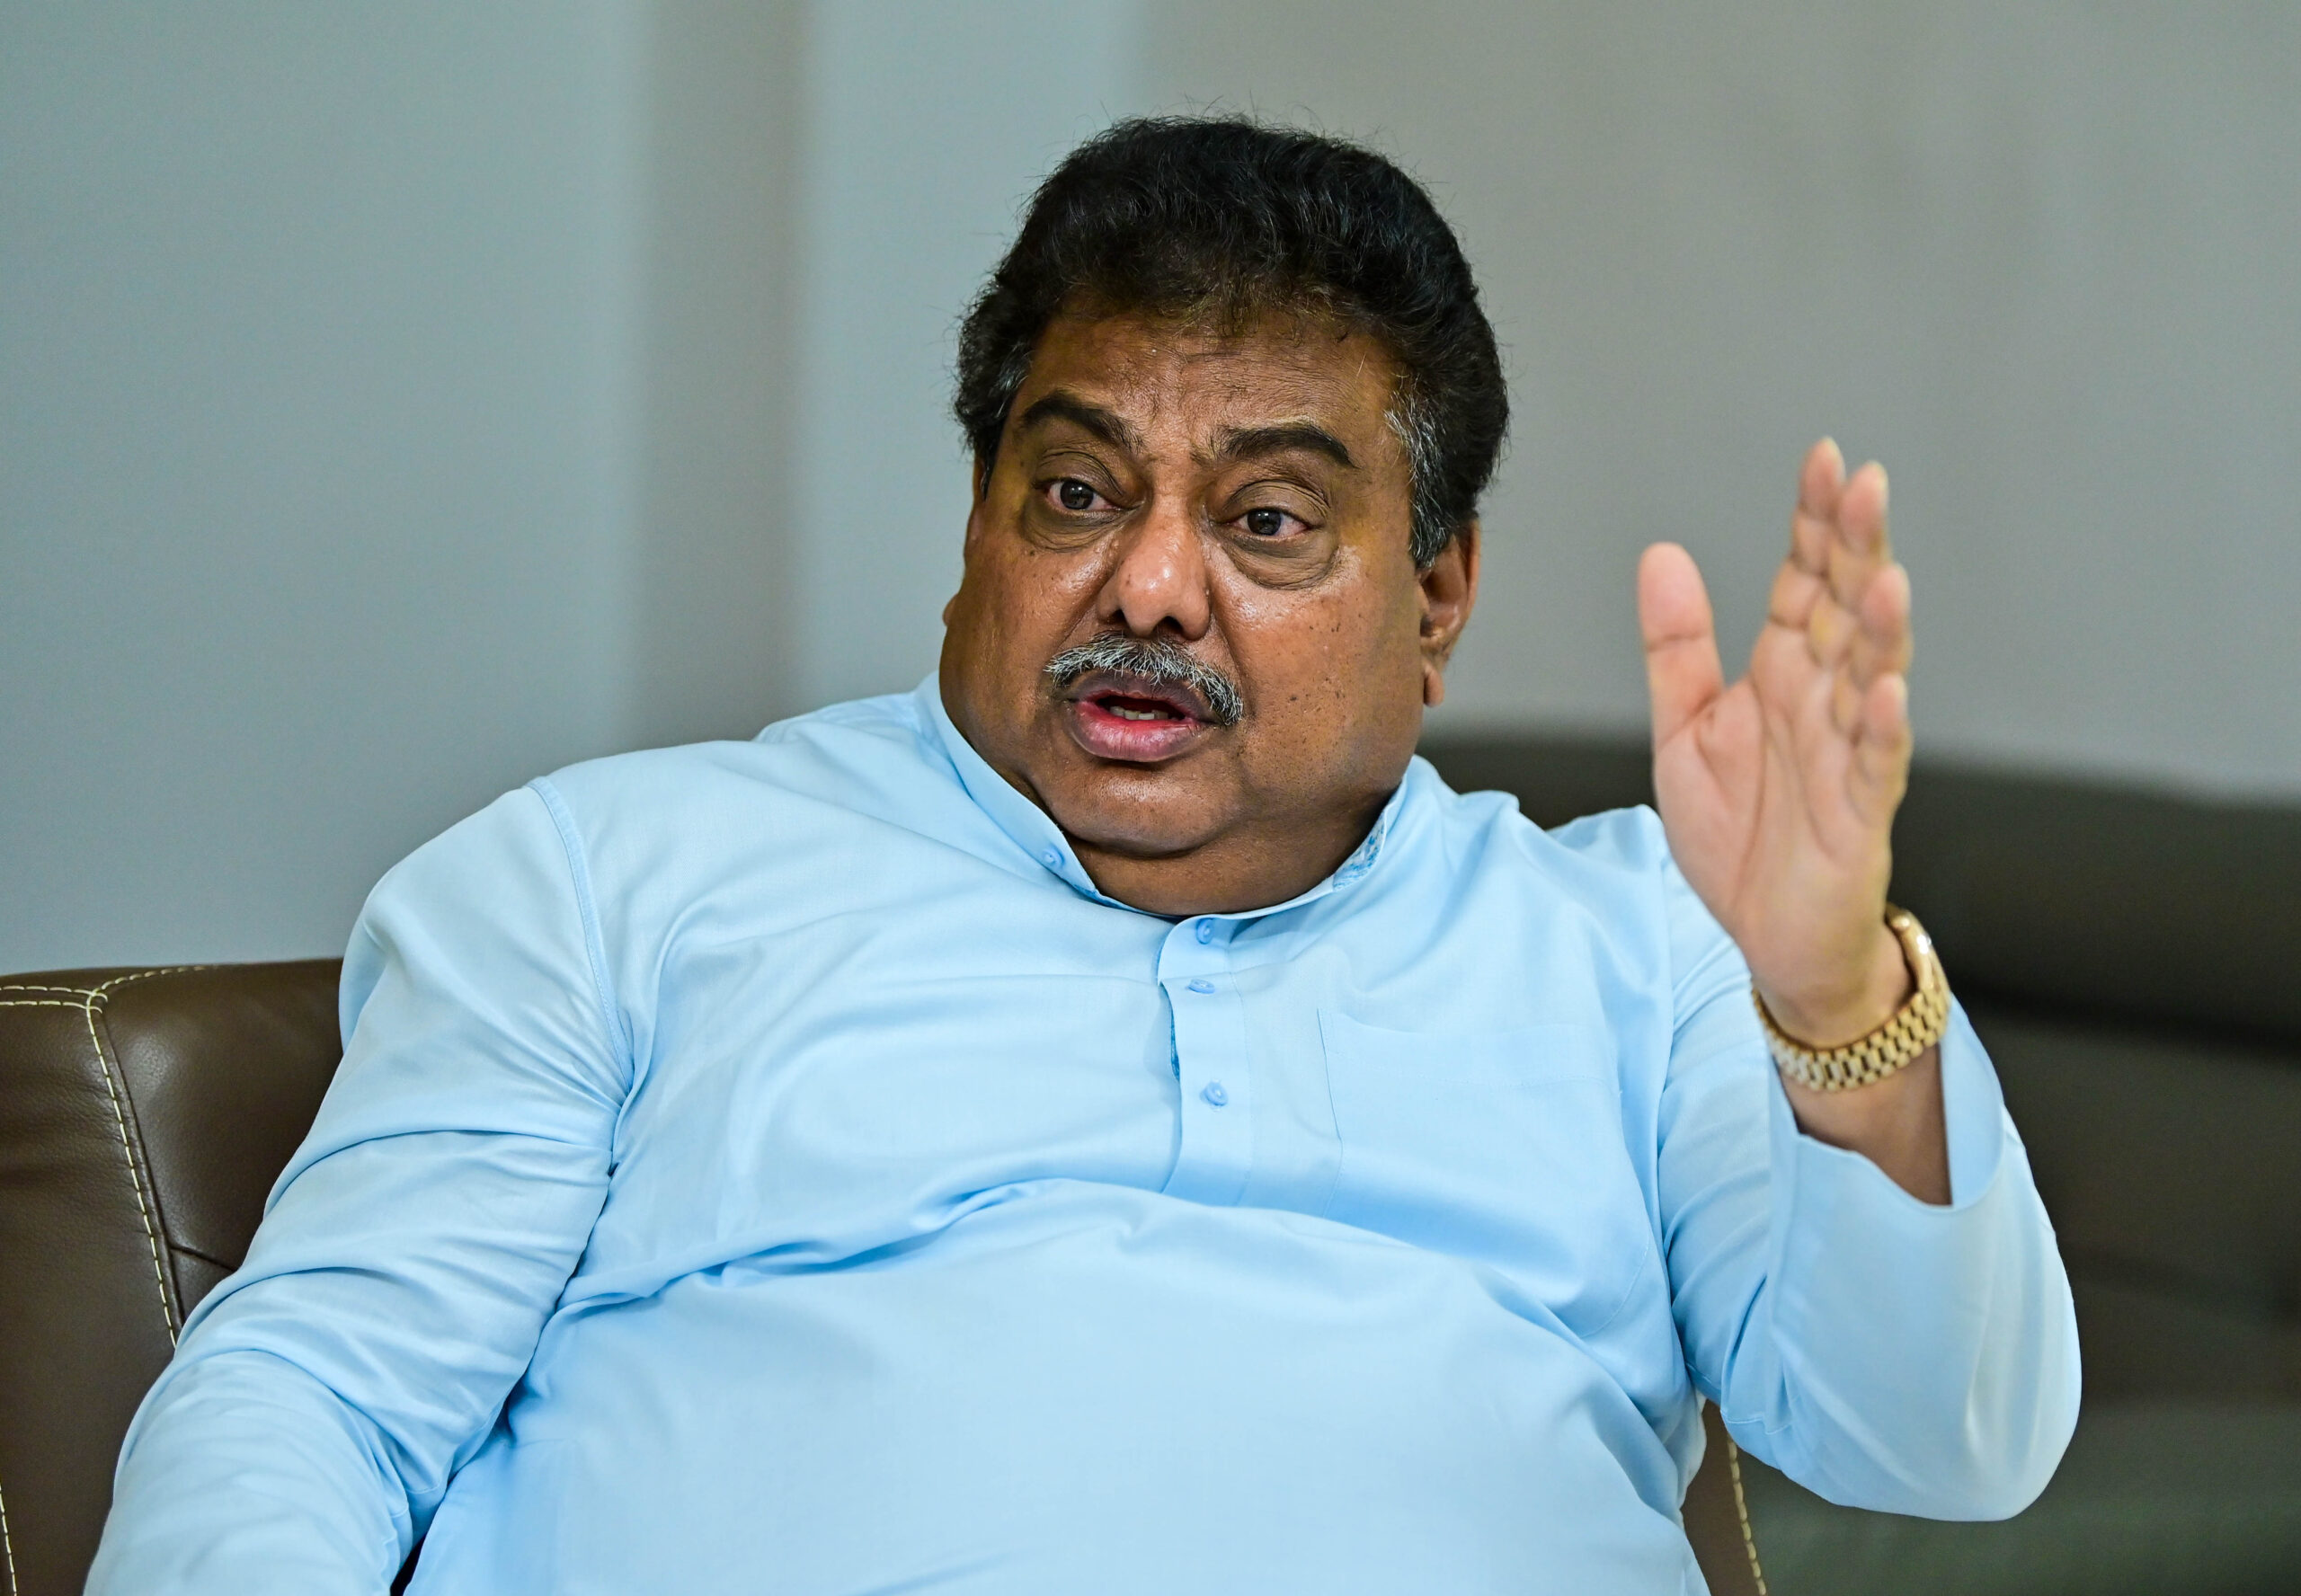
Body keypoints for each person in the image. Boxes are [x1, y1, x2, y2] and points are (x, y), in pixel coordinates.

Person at [89, 117, 2078, 1595]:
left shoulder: (1634, 941)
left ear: (1438, 593)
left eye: (1268, 520)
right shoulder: (611, 877)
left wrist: (1826, 987)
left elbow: (1944, 1440)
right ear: (976, 529)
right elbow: (311, 1405)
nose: (1147, 585)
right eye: (1074, 490)